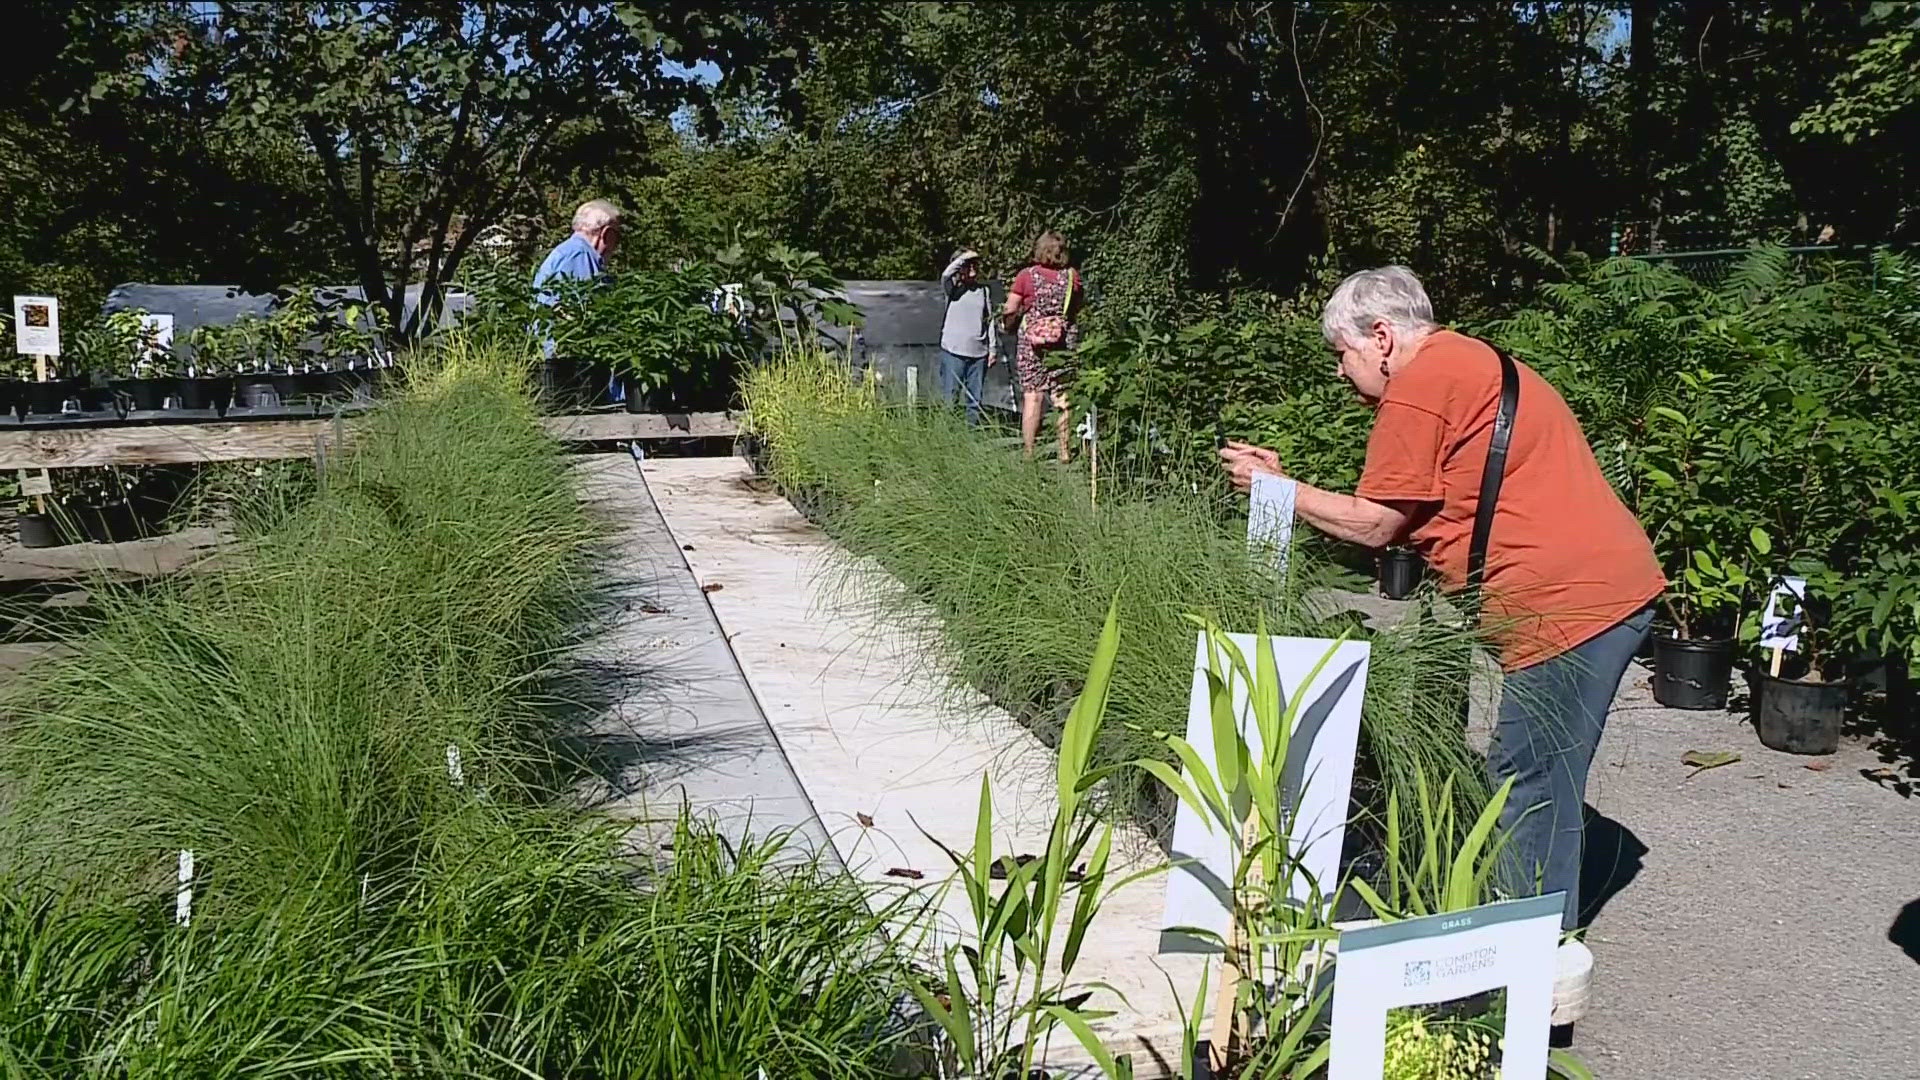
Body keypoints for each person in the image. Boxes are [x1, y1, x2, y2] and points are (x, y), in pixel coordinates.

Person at [1218, 265, 1664, 946]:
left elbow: (1376, 524)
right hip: (1592, 593)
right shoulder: (1464, 363)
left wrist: (1276, 492)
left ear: (1382, 337)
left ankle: (1520, 965)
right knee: (1536, 771)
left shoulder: (1424, 385)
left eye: (1343, 354)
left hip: (1572, 607)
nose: (1341, 373)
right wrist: (1289, 486)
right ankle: (1523, 938)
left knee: (1528, 778)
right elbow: (1408, 505)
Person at [1002, 230, 1086, 461]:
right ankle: (1065, 451)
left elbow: (1009, 310)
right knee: (1063, 397)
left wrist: (1010, 324)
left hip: (1031, 345)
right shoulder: (1072, 277)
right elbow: (1076, 308)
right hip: (1063, 344)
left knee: (1033, 397)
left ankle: (1029, 452)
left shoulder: (1025, 276)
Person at [533, 199, 623, 399]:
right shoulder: (579, 256)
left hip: (562, 370)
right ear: (607, 234)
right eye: (618, 236)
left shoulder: (570, 252)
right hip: (570, 374)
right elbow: (579, 317)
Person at [938, 248, 998, 425]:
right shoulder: (952, 289)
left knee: (975, 401)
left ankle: (971, 433)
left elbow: (990, 320)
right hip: (953, 351)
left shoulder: (983, 291)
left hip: (978, 354)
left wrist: (992, 349)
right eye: (968, 265)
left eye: (975, 265)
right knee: (951, 398)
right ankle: (946, 433)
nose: (972, 268)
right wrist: (965, 258)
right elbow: (946, 274)